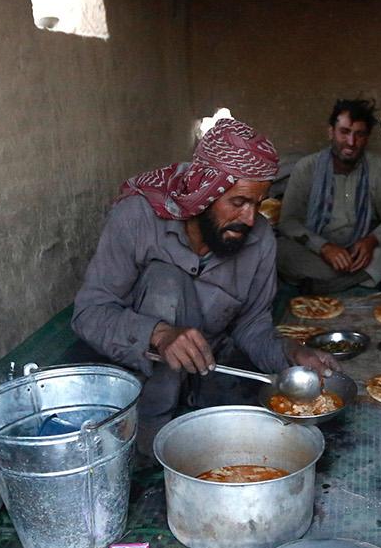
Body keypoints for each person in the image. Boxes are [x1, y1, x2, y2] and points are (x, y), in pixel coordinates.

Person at [72, 119, 291, 443]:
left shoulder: (260, 240)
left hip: (214, 371)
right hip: (147, 382)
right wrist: (158, 335)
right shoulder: (138, 218)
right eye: (238, 202)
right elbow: (89, 313)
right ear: (205, 192)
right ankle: (147, 437)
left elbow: (252, 324)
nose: (249, 219)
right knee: (166, 281)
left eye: (257, 204)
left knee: (255, 442)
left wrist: (290, 356)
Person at [276, 99, 381, 293]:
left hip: (362, 251)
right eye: (344, 132)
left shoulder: (376, 166)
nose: (351, 142)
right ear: (331, 132)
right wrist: (324, 247)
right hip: (319, 254)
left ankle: (334, 283)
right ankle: (370, 275)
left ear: (367, 138)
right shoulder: (307, 167)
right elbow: (288, 222)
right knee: (278, 248)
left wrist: (372, 241)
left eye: (359, 134)